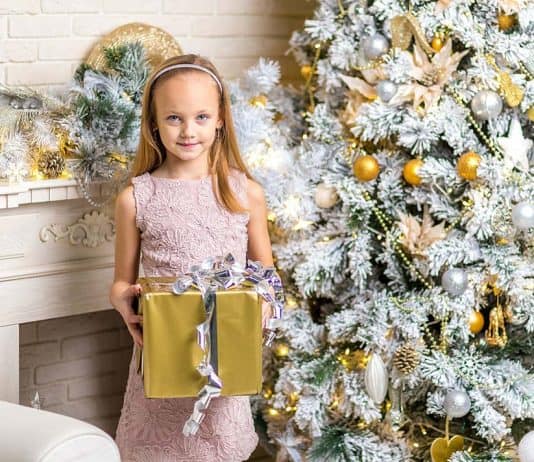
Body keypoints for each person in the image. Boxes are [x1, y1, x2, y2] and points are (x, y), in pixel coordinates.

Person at [109, 54, 275, 462]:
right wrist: (122, 301)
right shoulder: (136, 198)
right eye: (173, 118)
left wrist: (264, 307)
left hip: (224, 358)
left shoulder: (245, 193)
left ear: (220, 120)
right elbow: (121, 282)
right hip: (163, 353)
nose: (188, 131)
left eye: (201, 117)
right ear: (153, 122)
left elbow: (267, 276)